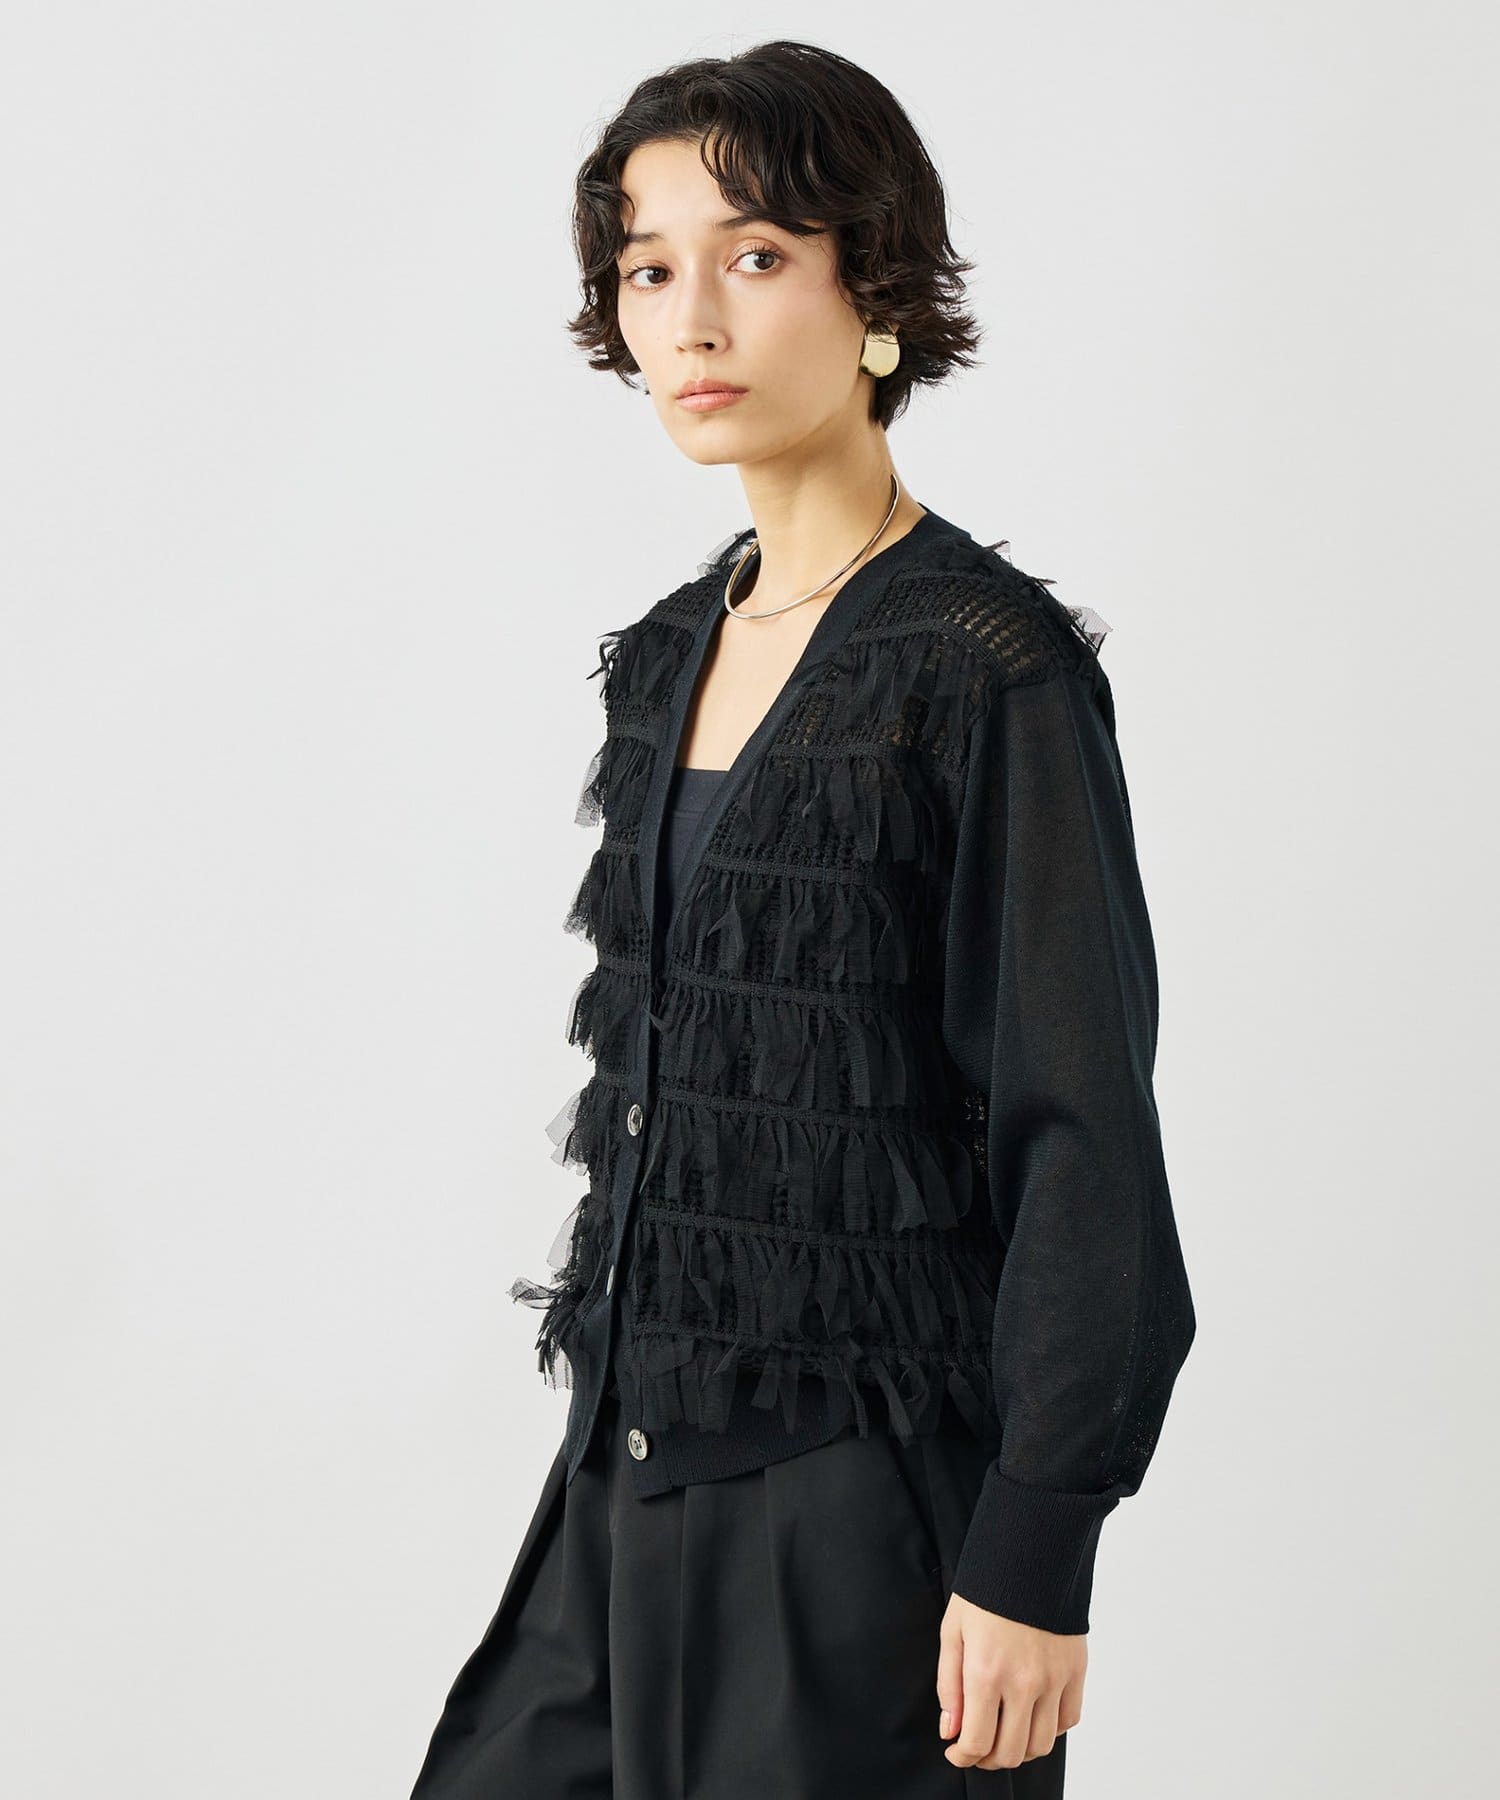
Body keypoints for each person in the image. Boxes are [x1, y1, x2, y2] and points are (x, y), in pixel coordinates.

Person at [410, 38, 1196, 1800]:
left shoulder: (984, 670)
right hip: (620, 1487)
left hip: (861, 1523)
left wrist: (1037, 1545)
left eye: (756, 255)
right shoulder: (663, 659)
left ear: (876, 290)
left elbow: (1080, 1127)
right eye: (649, 269)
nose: (691, 320)